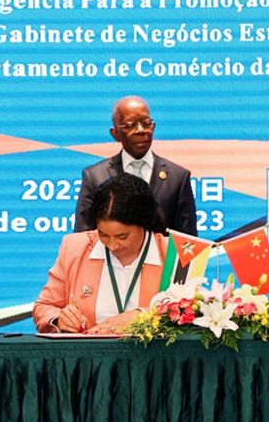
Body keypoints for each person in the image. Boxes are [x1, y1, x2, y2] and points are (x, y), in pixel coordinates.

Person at [35, 173, 168, 334]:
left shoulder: (178, 254)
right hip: (88, 350)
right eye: (103, 235)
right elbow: (45, 306)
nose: (112, 245)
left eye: (122, 236)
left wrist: (146, 316)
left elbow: (191, 315)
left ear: (144, 223)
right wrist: (59, 319)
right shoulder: (74, 248)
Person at [74, 96, 197, 235]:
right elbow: (83, 237)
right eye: (130, 125)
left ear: (153, 126)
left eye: (146, 123)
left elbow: (187, 239)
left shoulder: (177, 177)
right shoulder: (95, 177)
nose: (140, 130)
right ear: (115, 134)